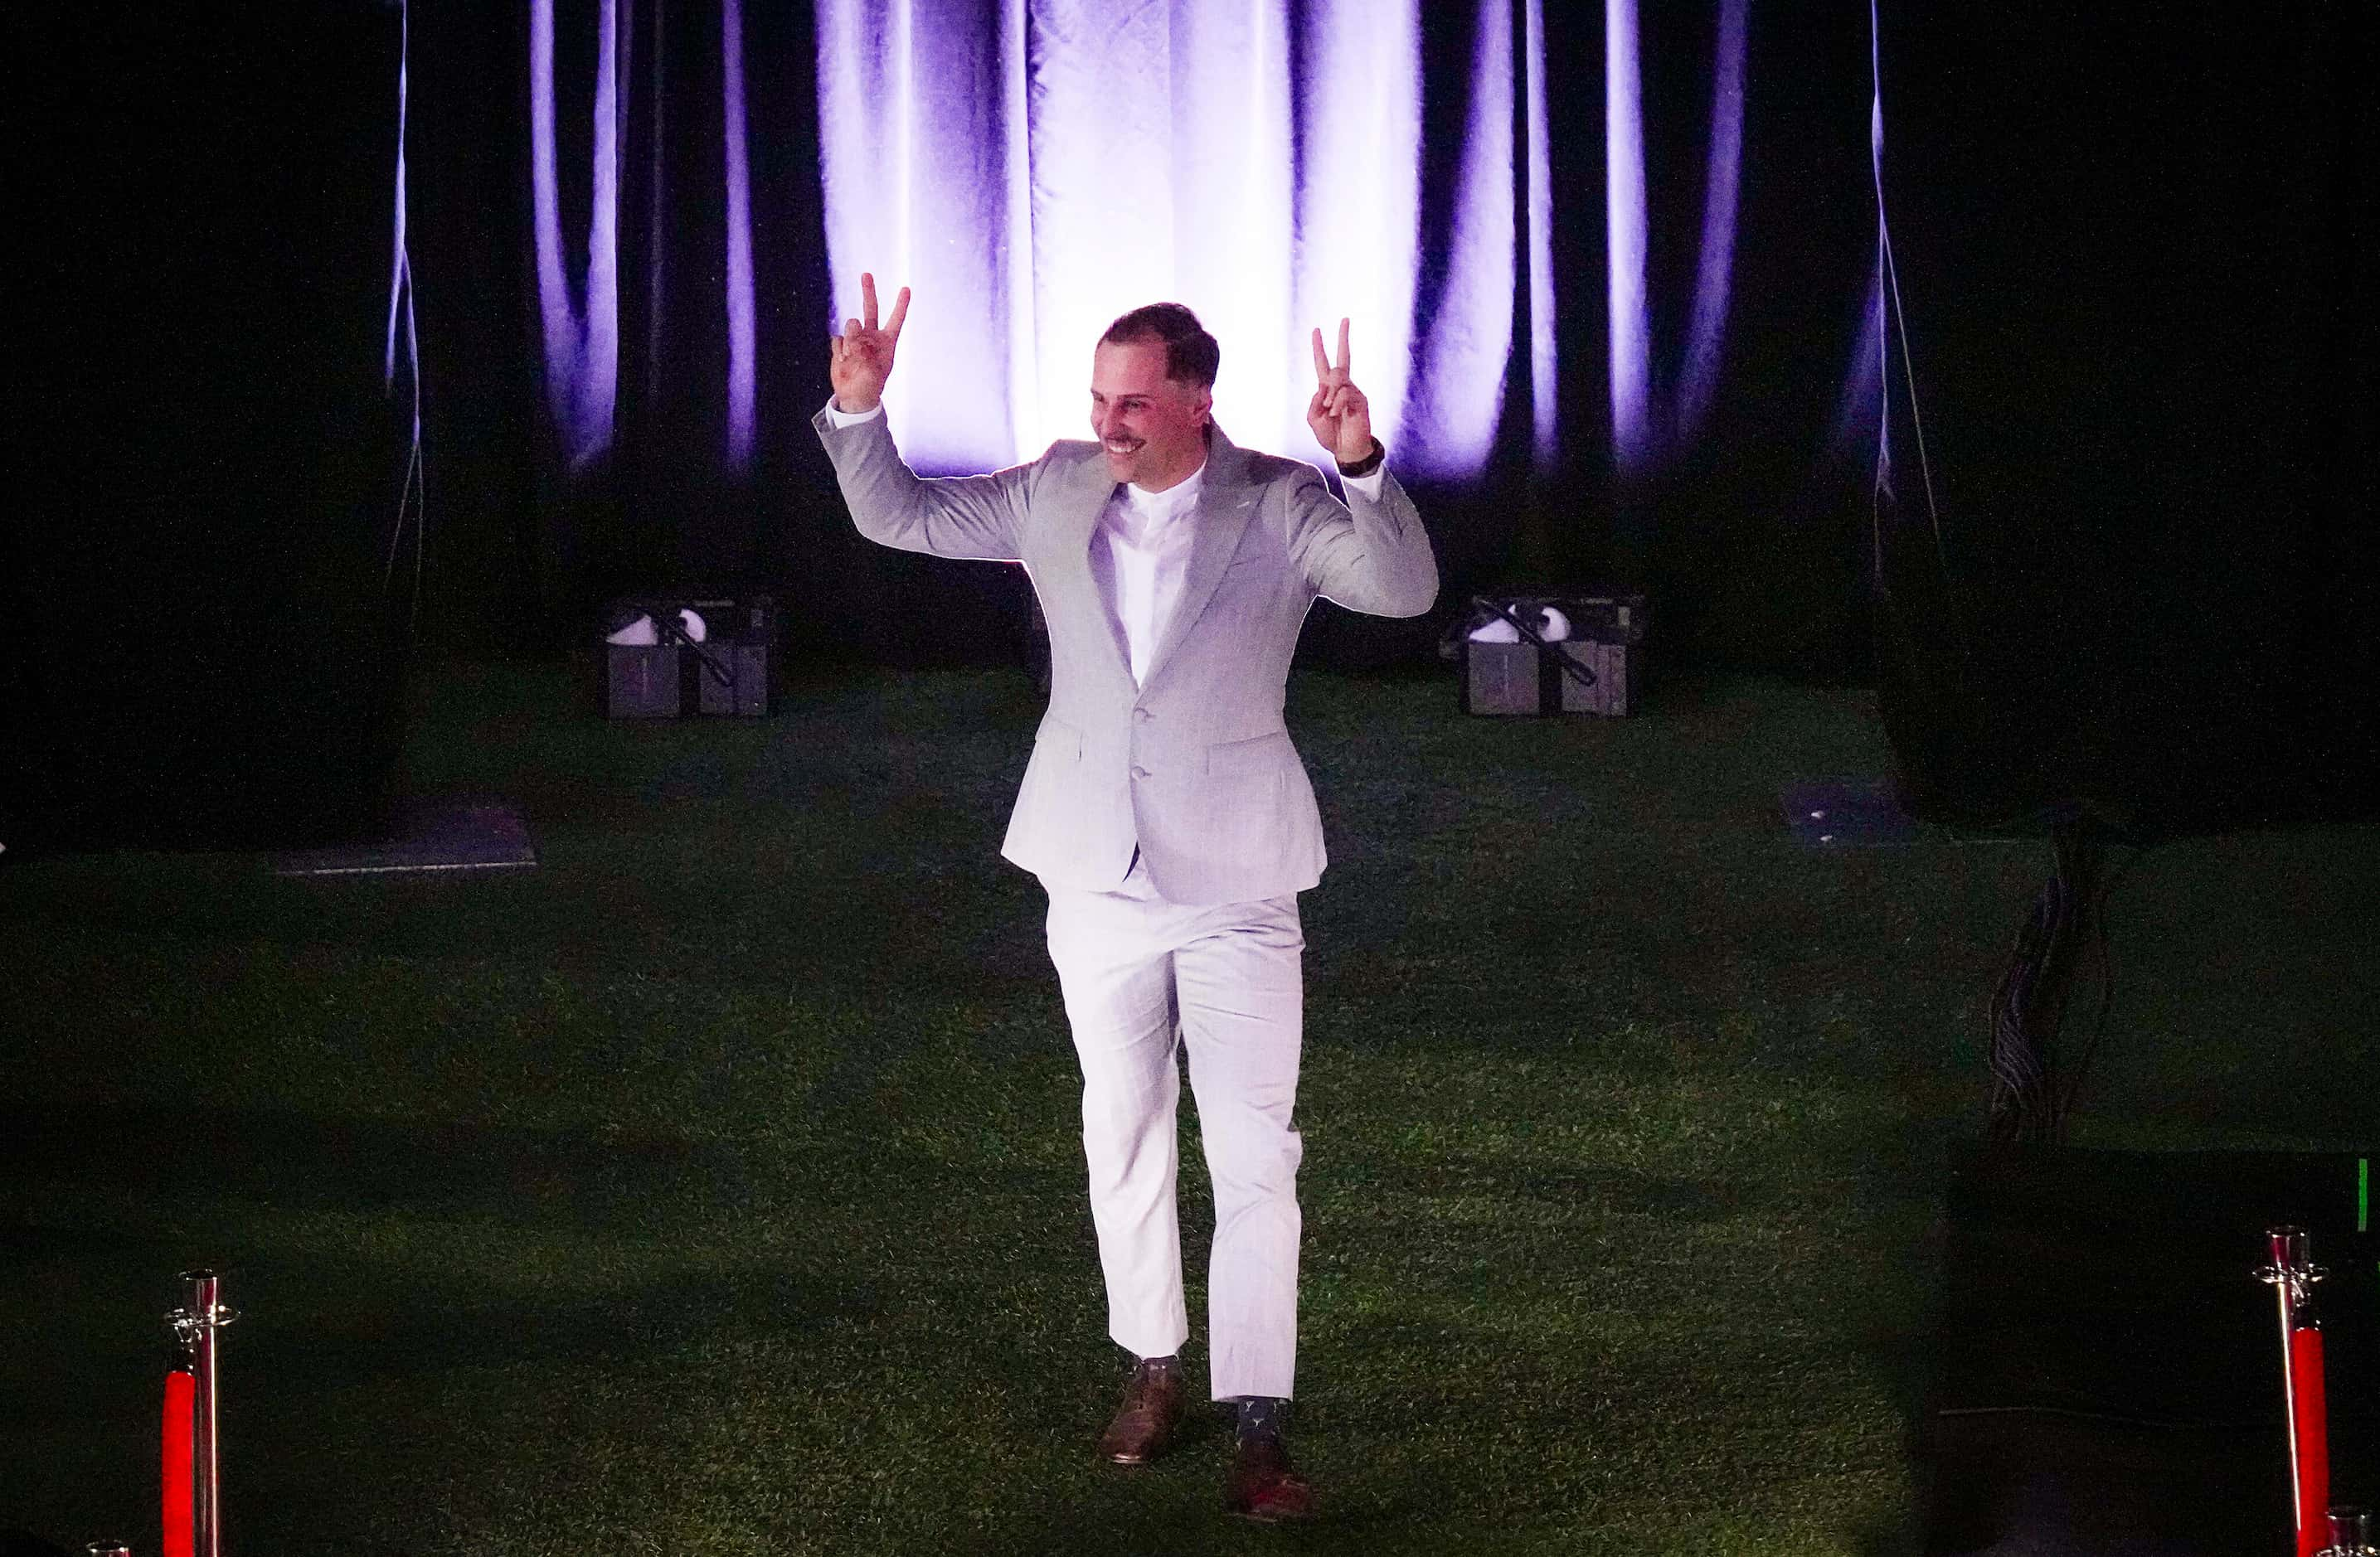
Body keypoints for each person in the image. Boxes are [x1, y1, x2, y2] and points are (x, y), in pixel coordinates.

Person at [814, 276, 1436, 1521]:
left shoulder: (1277, 503)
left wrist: (1358, 457)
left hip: (1239, 879)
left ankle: (1260, 1418)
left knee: (1257, 1152)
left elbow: (1404, 589)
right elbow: (898, 521)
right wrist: (860, 411)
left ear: (1197, 400)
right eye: (1099, 398)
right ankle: (1152, 1365)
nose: (1111, 421)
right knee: (1123, 1125)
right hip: (1091, 868)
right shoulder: (1055, 485)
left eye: (1135, 401)